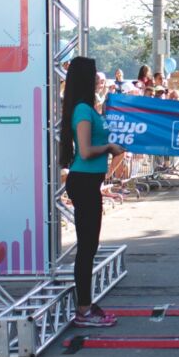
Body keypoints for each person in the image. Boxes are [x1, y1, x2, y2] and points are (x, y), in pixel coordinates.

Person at [59, 56, 126, 329]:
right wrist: (109, 148)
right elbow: (85, 151)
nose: (100, 79)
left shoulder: (88, 108)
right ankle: (83, 309)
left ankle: (85, 304)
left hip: (89, 182)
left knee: (90, 246)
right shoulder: (83, 110)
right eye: (95, 76)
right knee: (87, 248)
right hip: (84, 182)